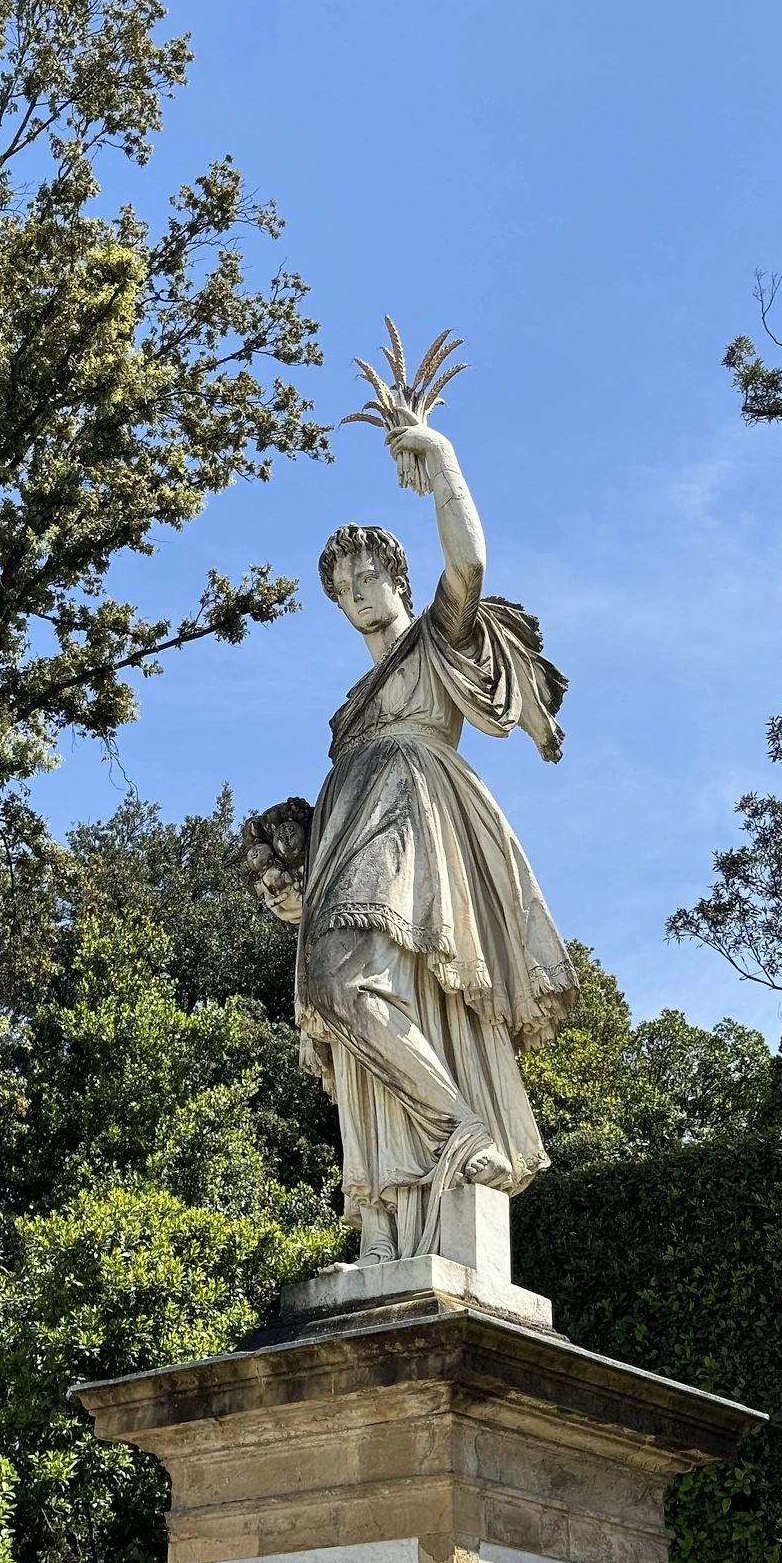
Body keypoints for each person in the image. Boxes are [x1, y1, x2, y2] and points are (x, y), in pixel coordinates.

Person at [257, 406, 577, 1264]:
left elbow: (468, 562)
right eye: (345, 588)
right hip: (358, 825)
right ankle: (390, 1212)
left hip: (416, 816)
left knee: (344, 979)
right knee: (349, 994)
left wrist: (441, 460)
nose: (360, 594)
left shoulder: (434, 639)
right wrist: (296, 885)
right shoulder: (348, 715)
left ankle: (460, 1126)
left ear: (399, 579)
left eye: (370, 576)